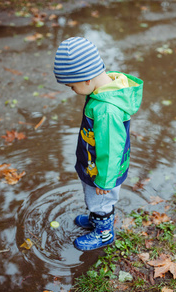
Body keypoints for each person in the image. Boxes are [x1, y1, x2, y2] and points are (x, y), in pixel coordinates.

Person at [54, 37, 143, 251]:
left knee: (101, 201)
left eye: (71, 86)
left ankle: (104, 233)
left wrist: (105, 180)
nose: (71, 90)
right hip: (96, 164)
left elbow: (112, 148)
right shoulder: (102, 88)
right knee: (96, 201)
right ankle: (97, 219)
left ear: (86, 80)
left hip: (102, 171)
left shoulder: (106, 110)